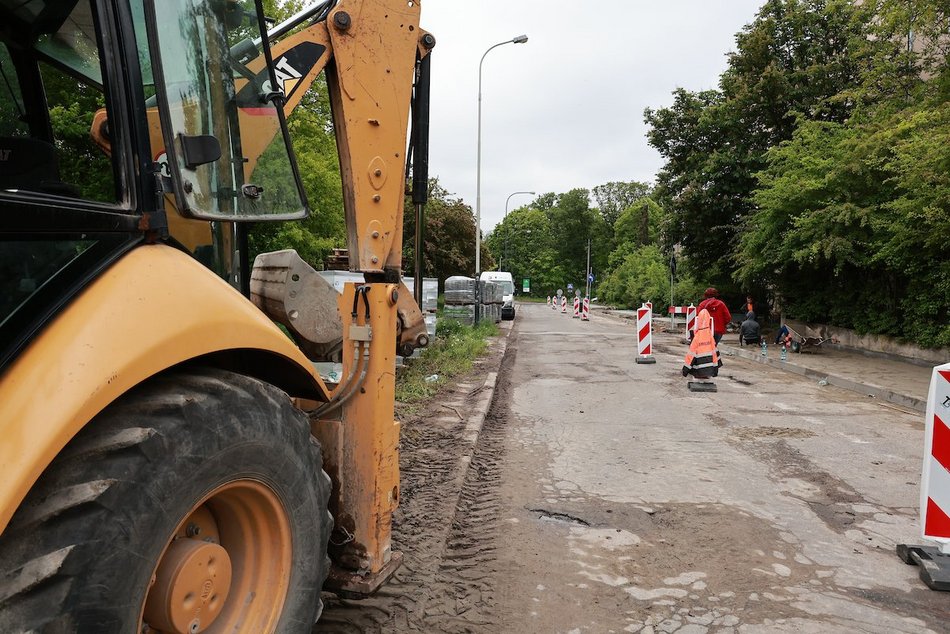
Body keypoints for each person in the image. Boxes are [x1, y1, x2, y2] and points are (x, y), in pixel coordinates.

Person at [682, 308, 722, 378]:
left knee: (694, 358)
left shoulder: (697, 337)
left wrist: (685, 371)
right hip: (710, 370)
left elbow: (691, 356)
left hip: (698, 371)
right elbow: (715, 354)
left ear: (698, 321)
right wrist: (715, 371)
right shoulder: (710, 337)